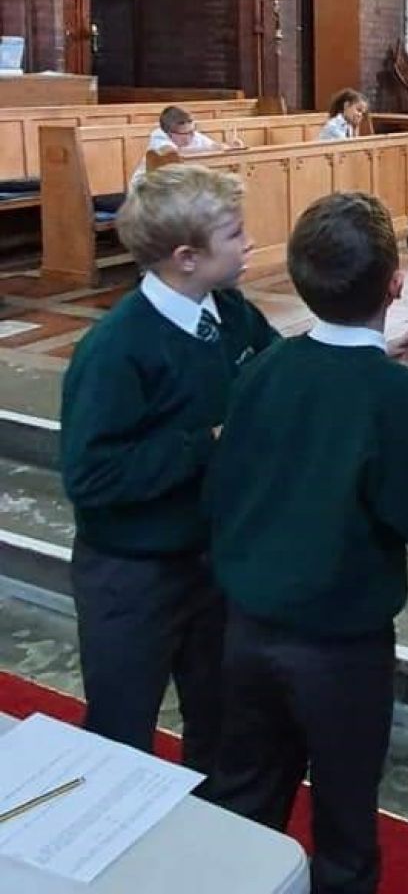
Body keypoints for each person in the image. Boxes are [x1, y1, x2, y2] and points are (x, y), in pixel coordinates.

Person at [205, 193, 408, 894]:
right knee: (344, 815)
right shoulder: (396, 396)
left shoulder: (264, 368)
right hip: (338, 647)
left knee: (245, 793)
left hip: (242, 629)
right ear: (395, 284)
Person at [59, 166, 278, 768]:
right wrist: (206, 442)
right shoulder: (117, 348)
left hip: (211, 558)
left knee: (220, 713)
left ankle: (208, 833)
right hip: (132, 573)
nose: (249, 242)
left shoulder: (229, 311)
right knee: (121, 724)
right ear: (186, 257)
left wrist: (356, 352)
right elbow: (92, 476)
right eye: (235, 234)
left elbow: (274, 374)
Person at [130, 105, 245, 186]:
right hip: (145, 190)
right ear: (170, 133)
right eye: (184, 134)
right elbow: (171, 154)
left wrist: (230, 147)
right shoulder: (159, 136)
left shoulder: (192, 134)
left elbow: (214, 146)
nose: (191, 137)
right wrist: (207, 149)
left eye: (192, 132)